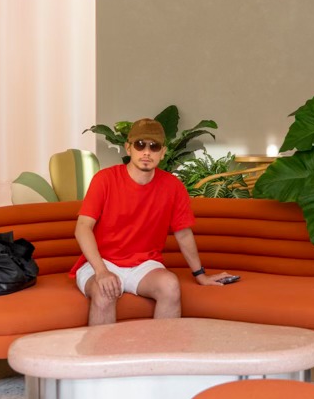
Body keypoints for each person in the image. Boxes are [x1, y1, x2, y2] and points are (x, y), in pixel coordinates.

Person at [72, 117, 232, 325]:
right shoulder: (105, 179)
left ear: (162, 152)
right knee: (104, 292)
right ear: (128, 148)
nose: (146, 152)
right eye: (140, 145)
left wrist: (200, 275)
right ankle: (101, 348)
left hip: (144, 265)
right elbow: (83, 228)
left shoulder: (173, 186)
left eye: (154, 146)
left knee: (170, 286)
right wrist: (102, 271)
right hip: (101, 262)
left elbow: (183, 234)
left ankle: (161, 347)